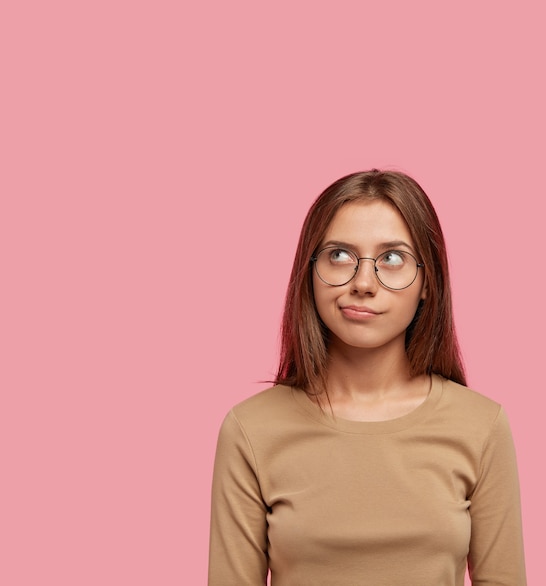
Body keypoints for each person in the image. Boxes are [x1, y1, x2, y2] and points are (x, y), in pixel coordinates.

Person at [208, 169, 526, 586]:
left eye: (392, 259)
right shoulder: (250, 430)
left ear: (428, 281)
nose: (362, 283)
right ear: (309, 271)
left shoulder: (481, 426)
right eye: (338, 255)